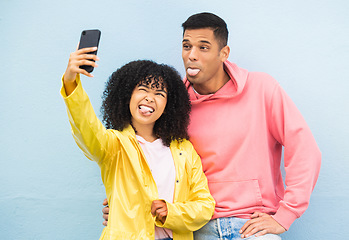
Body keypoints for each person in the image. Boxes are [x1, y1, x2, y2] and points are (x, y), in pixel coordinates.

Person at [102, 12, 321, 239]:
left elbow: (304, 150)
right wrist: (127, 205)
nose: (192, 56)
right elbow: (153, 158)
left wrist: (285, 215)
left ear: (223, 53)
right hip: (196, 228)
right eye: (187, 46)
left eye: (203, 47)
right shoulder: (174, 104)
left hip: (252, 225)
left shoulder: (262, 88)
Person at [61, 47, 215, 240]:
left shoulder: (184, 149)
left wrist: (171, 212)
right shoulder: (113, 144)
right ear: (127, 97)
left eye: (160, 93)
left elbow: (205, 205)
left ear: (169, 106)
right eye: (142, 89)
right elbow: (86, 128)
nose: (150, 97)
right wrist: (70, 82)